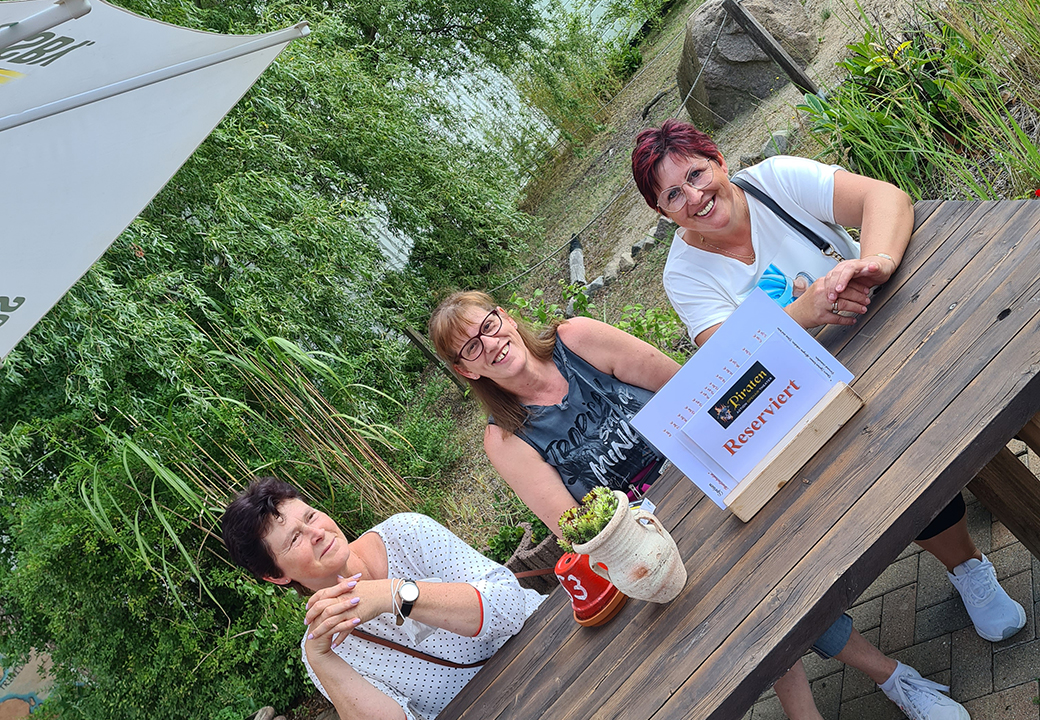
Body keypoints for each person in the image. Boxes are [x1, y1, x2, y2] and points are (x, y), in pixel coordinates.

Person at [428, 291, 968, 720]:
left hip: (709, 471)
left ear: (507, 318)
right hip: (648, 532)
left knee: (755, 585)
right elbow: (576, 527)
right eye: (470, 347)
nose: (490, 343)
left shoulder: (578, 339)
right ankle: (892, 677)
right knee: (746, 590)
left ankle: (859, 689)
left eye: (489, 324)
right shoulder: (506, 439)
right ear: (467, 371)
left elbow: (686, 388)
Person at [631, 118, 1024, 643]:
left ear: (720, 160)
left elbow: (884, 199)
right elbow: (728, 364)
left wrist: (876, 262)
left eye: (698, 174)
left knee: (999, 364)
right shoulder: (684, 274)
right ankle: (967, 568)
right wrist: (805, 310)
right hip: (814, 392)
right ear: (661, 212)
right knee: (892, 463)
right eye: (674, 195)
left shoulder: (773, 181)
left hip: (885, 327)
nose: (696, 196)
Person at [221, 477, 543, 720]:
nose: (316, 532)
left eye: (309, 517)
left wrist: (394, 594)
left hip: (543, 645)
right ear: (277, 575)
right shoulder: (324, 646)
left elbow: (510, 609)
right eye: (294, 539)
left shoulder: (406, 534)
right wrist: (322, 662)